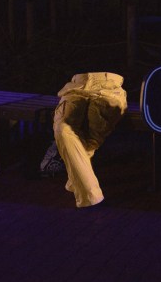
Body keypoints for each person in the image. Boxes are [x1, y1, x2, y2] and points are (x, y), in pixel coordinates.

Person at [52, 72, 127, 208]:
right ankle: (91, 196)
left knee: (92, 140)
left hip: (109, 86)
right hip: (77, 86)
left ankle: (76, 179)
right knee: (62, 129)